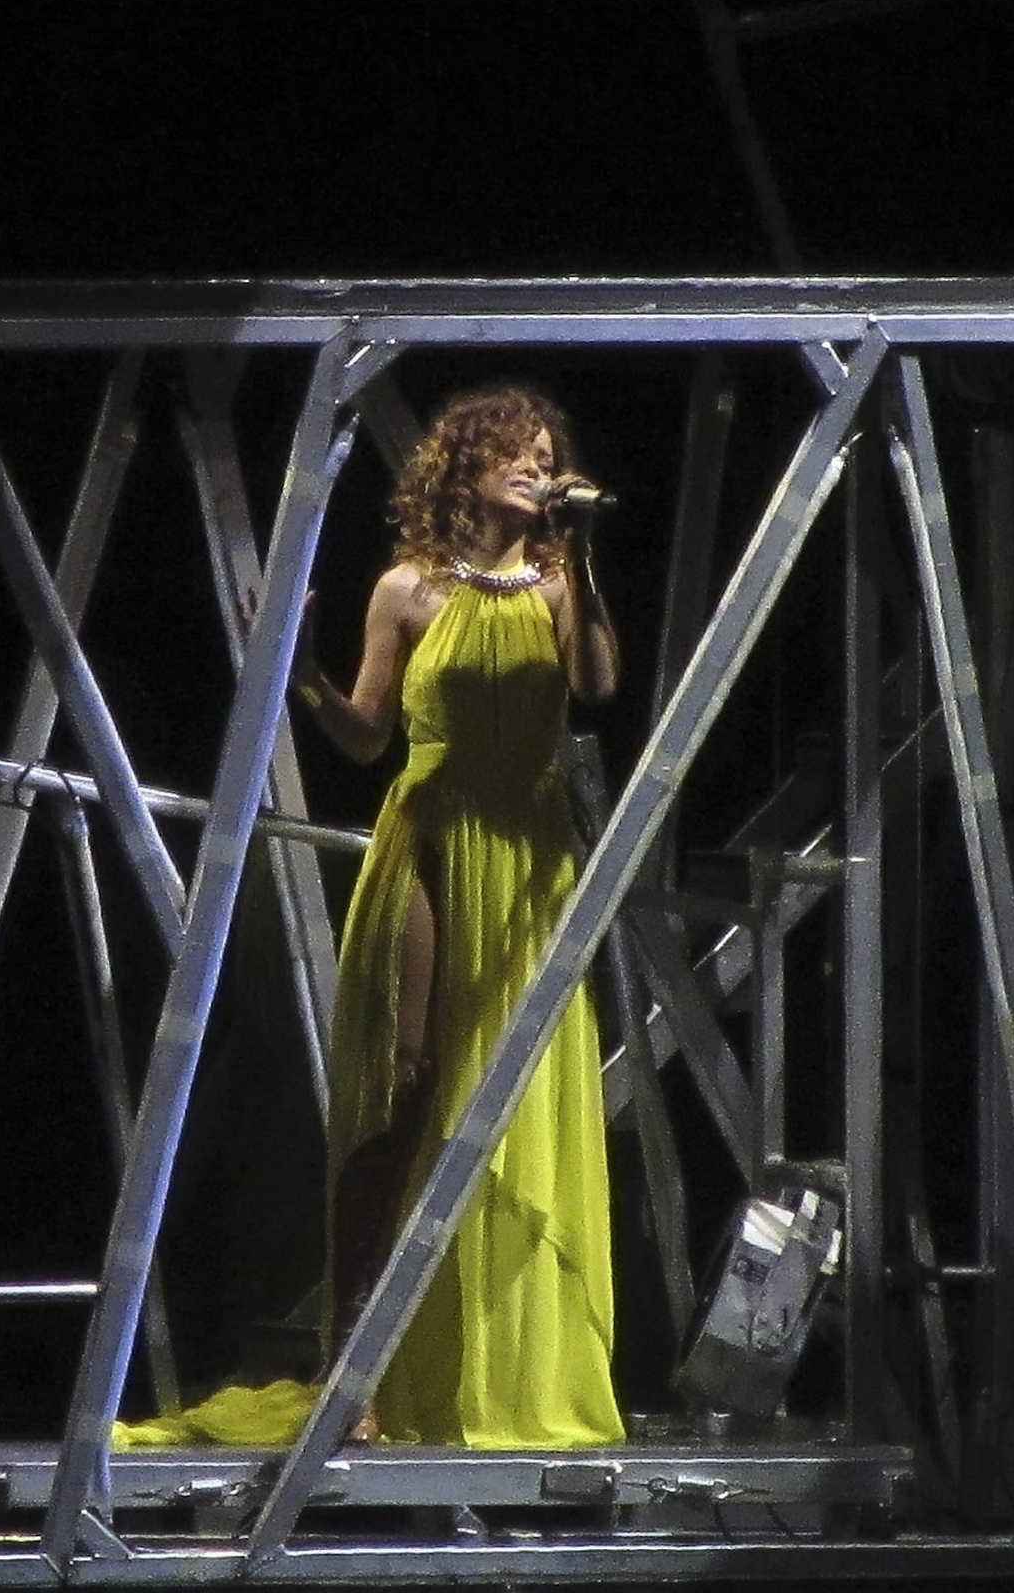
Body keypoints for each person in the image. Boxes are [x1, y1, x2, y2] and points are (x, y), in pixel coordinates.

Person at [115, 383, 625, 1450]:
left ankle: (494, 1368)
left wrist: (579, 559)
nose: (537, 469)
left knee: (509, 1098)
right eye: (517, 453)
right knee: (406, 1086)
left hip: (525, 851)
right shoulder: (407, 588)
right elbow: (364, 733)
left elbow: (596, 686)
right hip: (433, 836)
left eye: (547, 457)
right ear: (465, 467)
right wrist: (302, 676)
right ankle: (353, 1366)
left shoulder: (555, 584)